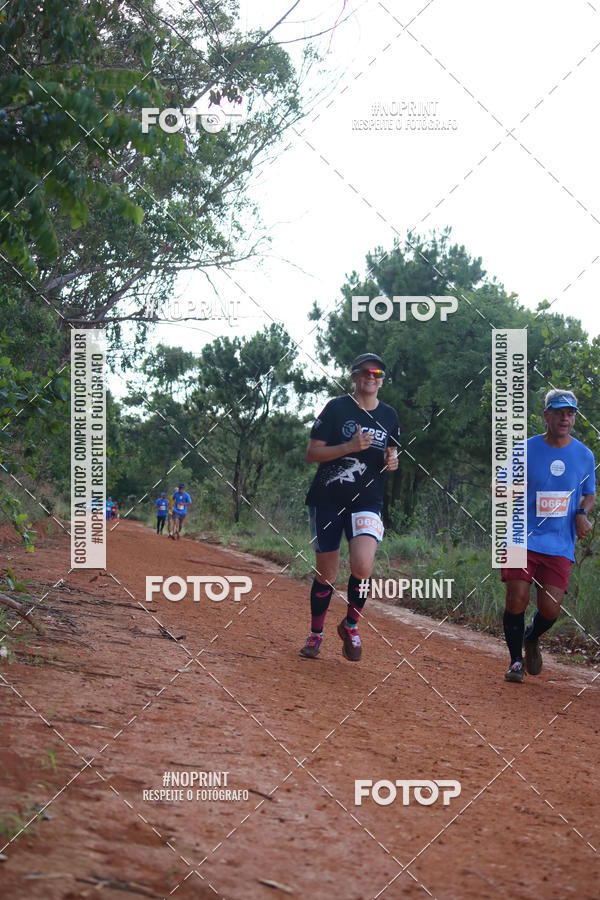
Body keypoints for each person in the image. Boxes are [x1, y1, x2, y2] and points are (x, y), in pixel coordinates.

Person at [300, 353, 399, 662]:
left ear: (383, 379)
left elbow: (391, 452)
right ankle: (316, 634)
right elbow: (312, 453)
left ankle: (351, 626)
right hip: (328, 499)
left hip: (368, 501)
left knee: (363, 566)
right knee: (327, 573)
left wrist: (392, 462)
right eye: (365, 372)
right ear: (354, 376)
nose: (371, 376)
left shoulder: (389, 415)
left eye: (378, 372)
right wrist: (348, 448)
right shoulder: (336, 408)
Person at [501, 389, 595, 683]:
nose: (565, 418)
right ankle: (516, 661)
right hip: (522, 536)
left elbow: (589, 494)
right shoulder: (524, 449)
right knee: (517, 597)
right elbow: (500, 484)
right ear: (546, 416)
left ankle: (532, 638)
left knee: (550, 609)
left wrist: (582, 513)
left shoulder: (584, 455)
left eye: (570, 413)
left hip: (559, 542)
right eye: (559, 412)